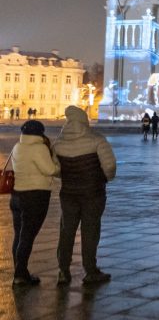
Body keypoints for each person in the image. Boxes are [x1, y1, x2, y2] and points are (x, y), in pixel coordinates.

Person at [53, 105, 117, 284]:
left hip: (68, 195)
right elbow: (110, 166)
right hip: (93, 194)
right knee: (90, 231)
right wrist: (105, 178)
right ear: (84, 120)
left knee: (66, 231)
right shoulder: (96, 140)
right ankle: (90, 270)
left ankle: (63, 270)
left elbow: (55, 170)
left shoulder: (58, 143)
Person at [9, 120, 59, 286]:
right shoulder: (39, 148)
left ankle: (20, 271)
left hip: (16, 195)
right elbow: (50, 170)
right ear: (40, 133)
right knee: (27, 236)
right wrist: (57, 165)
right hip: (35, 196)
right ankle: (21, 274)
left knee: (19, 235)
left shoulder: (18, 146)